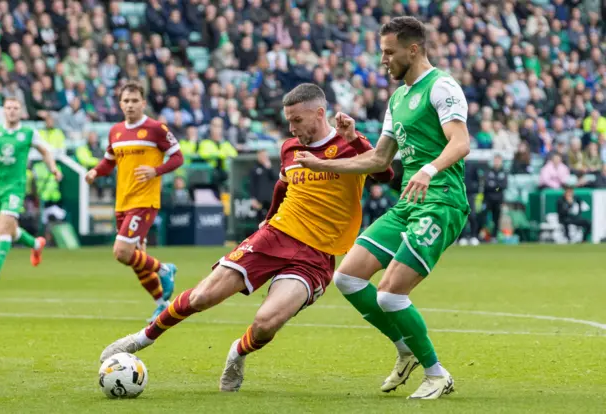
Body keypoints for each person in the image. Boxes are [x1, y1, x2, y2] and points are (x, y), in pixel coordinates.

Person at [98, 83, 394, 392]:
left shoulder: (351, 145)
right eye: (288, 121)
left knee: (266, 324)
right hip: (276, 235)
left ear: (319, 113)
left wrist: (354, 138)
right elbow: (282, 187)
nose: (291, 128)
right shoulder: (290, 148)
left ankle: (237, 352)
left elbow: (385, 175)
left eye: (297, 120)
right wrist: (267, 221)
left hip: (316, 256)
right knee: (202, 297)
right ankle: (141, 339)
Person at [296, 17, 470, 399]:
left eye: (389, 52)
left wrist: (427, 169)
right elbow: (379, 161)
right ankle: (406, 347)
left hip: (441, 201)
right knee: (348, 278)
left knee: (390, 295)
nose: (384, 60)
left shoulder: (442, 87)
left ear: (414, 49)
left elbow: (460, 143)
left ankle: (437, 374)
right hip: (409, 202)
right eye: (382, 53)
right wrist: (324, 162)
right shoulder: (396, 99)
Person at [85, 81, 183, 321]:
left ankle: (164, 269)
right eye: (126, 101)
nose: (130, 105)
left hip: (144, 199)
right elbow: (109, 160)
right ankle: (162, 302)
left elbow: (178, 157)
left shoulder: (156, 128)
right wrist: (95, 172)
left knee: (121, 251)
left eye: (134, 101)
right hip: (123, 201)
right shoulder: (115, 131)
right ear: (120, 104)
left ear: (143, 103)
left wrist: (155, 171)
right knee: (135, 258)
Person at [0, 97, 61, 288]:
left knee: (3, 229)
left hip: (15, 187)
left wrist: (53, 168)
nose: (12, 111)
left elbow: (45, 151)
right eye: (8, 108)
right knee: (10, 230)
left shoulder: (28, 133)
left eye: (15, 108)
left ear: (21, 112)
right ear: (3, 111)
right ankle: (37, 245)